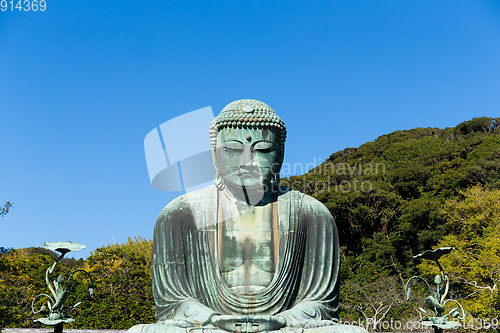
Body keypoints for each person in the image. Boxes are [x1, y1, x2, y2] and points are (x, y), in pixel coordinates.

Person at [129, 99, 367, 333]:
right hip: (210, 327)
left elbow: (322, 305)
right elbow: (172, 304)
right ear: (214, 153)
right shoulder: (181, 213)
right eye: (232, 149)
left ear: (280, 154)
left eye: (262, 150)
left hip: (285, 327)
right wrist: (213, 319)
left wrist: (282, 321)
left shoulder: (311, 213)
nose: (247, 161)